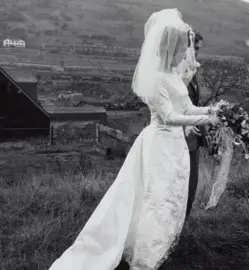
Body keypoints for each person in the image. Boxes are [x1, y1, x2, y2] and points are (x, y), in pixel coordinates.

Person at [49, 9, 221, 270]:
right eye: (180, 52)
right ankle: (144, 256)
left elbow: (186, 108)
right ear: (169, 48)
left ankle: (163, 245)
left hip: (175, 147)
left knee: (171, 196)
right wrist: (206, 120)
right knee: (154, 197)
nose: (184, 57)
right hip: (159, 144)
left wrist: (212, 111)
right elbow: (169, 117)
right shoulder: (156, 79)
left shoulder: (174, 75)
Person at [183, 30, 211, 221]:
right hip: (180, 137)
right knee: (182, 184)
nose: (198, 53)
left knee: (192, 183)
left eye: (200, 49)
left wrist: (205, 132)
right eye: (195, 49)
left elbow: (194, 106)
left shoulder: (192, 70)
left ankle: (184, 222)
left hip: (194, 136)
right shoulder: (175, 72)